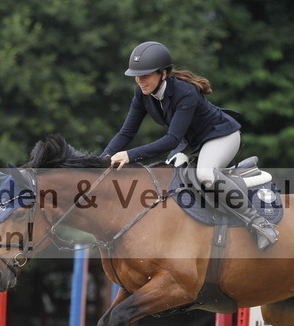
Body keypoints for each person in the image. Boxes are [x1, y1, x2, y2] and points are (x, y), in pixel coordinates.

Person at [101, 41, 278, 250]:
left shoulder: (185, 92)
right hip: (190, 142)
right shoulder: (141, 94)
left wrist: (130, 155)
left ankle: (260, 224)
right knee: (166, 176)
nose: (140, 81)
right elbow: (126, 133)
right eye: (136, 76)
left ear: (163, 74)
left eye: (145, 75)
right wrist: (103, 159)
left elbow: (172, 139)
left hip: (221, 136)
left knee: (205, 175)